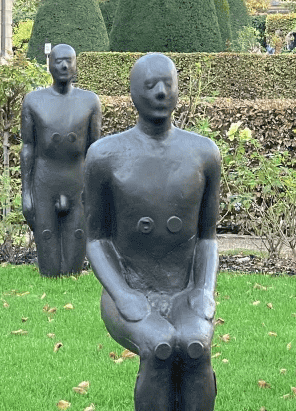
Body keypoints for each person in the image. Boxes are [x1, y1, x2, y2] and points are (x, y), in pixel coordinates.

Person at [84, 53, 221, 411]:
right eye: (150, 85)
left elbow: (207, 239)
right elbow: (95, 240)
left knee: (195, 346)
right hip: (130, 288)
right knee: (159, 346)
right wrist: (123, 294)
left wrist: (203, 291)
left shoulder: (204, 153)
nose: (161, 92)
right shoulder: (104, 155)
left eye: (168, 84)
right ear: (133, 93)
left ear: (178, 90)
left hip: (184, 289)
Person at [20, 44, 101, 276]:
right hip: (45, 183)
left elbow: (94, 150)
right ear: (50, 65)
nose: (64, 65)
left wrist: (95, 192)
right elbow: (28, 148)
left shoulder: (90, 102)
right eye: (58, 61)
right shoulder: (33, 101)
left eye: (68, 61)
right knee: (50, 268)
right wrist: (27, 193)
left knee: (72, 268)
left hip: (77, 184)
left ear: (76, 65)